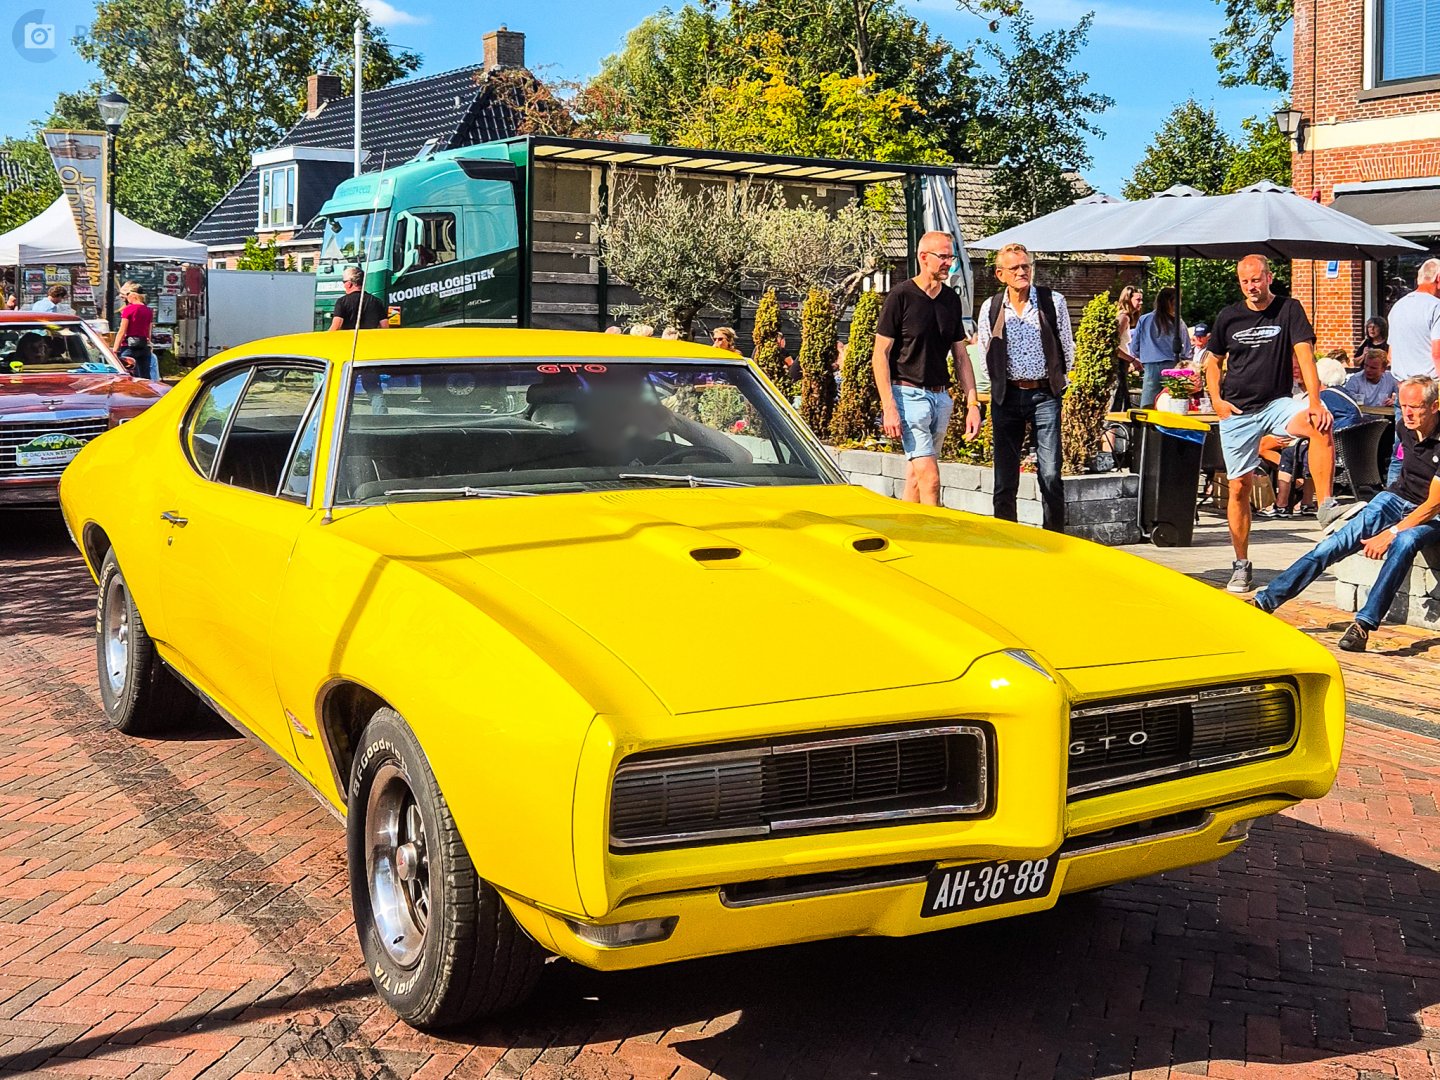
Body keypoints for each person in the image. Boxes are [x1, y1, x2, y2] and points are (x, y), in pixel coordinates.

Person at [1251, 376, 1440, 652]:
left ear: (1434, 406)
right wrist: (1385, 505)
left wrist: (1390, 533)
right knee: (1334, 543)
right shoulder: (1404, 426)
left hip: (1434, 513)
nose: (1408, 413)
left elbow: (1433, 505)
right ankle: (1266, 601)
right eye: (1403, 406)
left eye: (1416, 407)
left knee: (1405, 542)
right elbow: (1402, 468)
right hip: (1398, 498)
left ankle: (1363, 624)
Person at [1204, 254, 1338, 593]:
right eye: (1246, 281)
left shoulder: (1289, 308)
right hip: (1237, 410)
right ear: (1240, 282)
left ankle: (1325, 506)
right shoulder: (1228, 316)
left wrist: (1315, 401)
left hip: (1277, 402)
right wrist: (1217, 401)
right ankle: (1241, 564)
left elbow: (1305, 355)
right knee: (1239, 487)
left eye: (1257, 279)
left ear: (1269, 277)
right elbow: (1212, 363)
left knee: (1320, 424)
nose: (1252, 286)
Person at [871, 230, 981, 506]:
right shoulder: (901, 296)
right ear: (923, 257)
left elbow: (961, 355)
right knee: (930, 478)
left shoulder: (951, 300)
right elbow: (880, 354)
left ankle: (905, 533)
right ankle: (935, 542)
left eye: (951, 257)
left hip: (940, 398)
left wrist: (972, 403)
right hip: (908, 396)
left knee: (916, 478)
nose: (948, 263)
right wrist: (889, 406)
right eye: (943, 256)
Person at [976, 242, 1074, 531]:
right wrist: (999, 384)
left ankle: (1054, 539)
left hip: (1044, 395)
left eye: (1026, 266)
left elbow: (1067, 347)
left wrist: (1057, 383)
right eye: (1015, 268)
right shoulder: (991, 307)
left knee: (1051, 473)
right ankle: (1007, 539)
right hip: (1007, 396)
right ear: (1000, 274)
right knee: (1005, 479)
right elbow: (985, 352)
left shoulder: (1052, 301)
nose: (1022, 272)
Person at [1261, 357, 1362, 518]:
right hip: (1353, 450)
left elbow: (1314, 425)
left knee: (1288, 452)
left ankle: (1282, 502)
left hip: (1330, 449)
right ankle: (1305, 501)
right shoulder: (1344, 394)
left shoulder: (1322, 398)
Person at [1381, 259, 1440, 484]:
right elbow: (1437, 353)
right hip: (1431, 390)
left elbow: (1390, 355)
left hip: (1404, 390)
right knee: (1433, 450)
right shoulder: (1435, 307)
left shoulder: (1398, 307)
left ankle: (1393, 498)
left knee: (1402, 450)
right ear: (1438, 279)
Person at [328, 266, 388, 413]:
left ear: (349, 283)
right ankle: (381, 419)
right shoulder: (376, 301)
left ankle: (345, 419)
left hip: (347, 352)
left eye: (343, 281)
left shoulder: (342, 302)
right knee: (374, 389)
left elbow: (335, 328)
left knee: (345, 390)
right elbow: (385, 328)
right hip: (369, 351)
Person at [1131, 286, 1191, 408]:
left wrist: (1140, 356)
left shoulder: (1145, 319)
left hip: (1151, 367)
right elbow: (1186, 349)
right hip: (1173, 367)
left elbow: (1134, 347)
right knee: (1172, 404)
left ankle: (1147, 427)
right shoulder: (1178, 322)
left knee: (1148, 406)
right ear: (1173, 302)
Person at [113, 287, 157, 380]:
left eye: (127, 294)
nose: (126, 297)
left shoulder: (129, 309)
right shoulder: (148, 311)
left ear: (134, 295)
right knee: (145, 377)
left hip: (128, 347)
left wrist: (115, 349)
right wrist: (149, 345)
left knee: (126, 377)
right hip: (144, 346)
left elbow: (122, 331)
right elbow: (149, 331)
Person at [1112, 285, 1143, 411]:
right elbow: (1114, 346)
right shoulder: (1123, 317)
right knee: (1118, 401)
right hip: (1119, 363)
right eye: (1137, 299)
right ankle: (1113, 429)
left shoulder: (1127, 318)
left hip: (1123, 363)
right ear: (1127, 300)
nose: (1141, 303)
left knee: (1123, 399)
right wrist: (1132, 360)